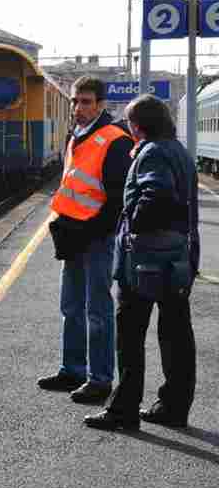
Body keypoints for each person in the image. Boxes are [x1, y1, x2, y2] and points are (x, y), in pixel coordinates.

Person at [84, 95, 199, 430]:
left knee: (130, 335)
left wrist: (131, 220)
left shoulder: (152, 152)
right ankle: (173, 407)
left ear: (139, 125)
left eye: (130, 122)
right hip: (178, 257)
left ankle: (124, 411)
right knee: (176, 333)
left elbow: (155, 198)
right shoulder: (178, 150)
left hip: (146, 262)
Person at [38, 76, 134, 404]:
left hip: (98, 239)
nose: (79, 108)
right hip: (75, 236)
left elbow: (118, 200)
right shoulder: (75, 136)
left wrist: (90, 230)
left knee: (97, 310)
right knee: (71, 307)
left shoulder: (115, 139)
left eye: (86, 102)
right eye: (75, 101)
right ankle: (73, 370)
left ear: (101, 104)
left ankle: (100, 379)